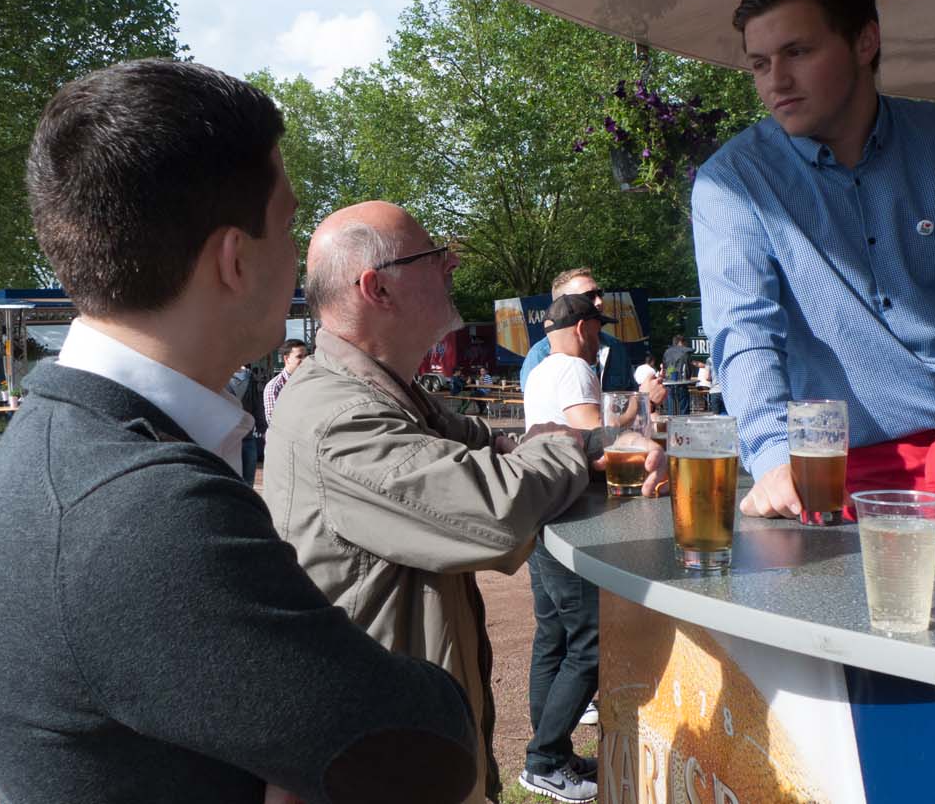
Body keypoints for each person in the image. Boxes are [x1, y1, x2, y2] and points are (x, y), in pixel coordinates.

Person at [0, 60, 479, 804]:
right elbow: (432, 751)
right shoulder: (142, 507)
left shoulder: (67, 446)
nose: (299, 261)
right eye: (289, 225)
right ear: (234, 259)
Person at [263, 200, 664, 804]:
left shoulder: (382, 389)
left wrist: (598, 441)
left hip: (406, 745)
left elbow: (492, 443)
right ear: (377, 289)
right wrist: (577, 452)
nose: (452, 264)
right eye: (433, 257)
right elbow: (494, 509)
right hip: (383, 766)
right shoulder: (340, 417)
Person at [691, 0, 935, 552]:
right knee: (872, 643)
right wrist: (774, 457)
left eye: (797, 53)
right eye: (760, 64)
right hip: (836, 476)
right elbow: (743, 329)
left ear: (865, 41)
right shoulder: (732, 180)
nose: (774, 80)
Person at [518, 293, 618, 803]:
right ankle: (544, 759)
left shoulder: (539, 371)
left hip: (543, 513)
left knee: (552, 637)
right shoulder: (577, 371)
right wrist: (636, 434)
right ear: (583, 327)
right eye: (598, 326)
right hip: (573, 518)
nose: (601, 334)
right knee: (591, 642)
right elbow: (592, 442)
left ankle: (550, 753)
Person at [519, 268, 636, 395]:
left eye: (599, 293)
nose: (599, 301)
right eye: (589, 296)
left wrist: (645, 397)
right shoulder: (539, 355)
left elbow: (630, 398)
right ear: (564, 304)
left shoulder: (615, 347)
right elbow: (539, 410)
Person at [224, 363, 265, 486]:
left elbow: (257, 405)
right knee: (229, 479)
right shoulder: (220, 376)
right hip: (227, 438)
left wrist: (263, 429)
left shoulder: (250, 378)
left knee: (248, 481)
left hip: (247, 437)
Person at [262, 338, 308, 425]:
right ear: (287, 359)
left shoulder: (311, 381)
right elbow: (274, 422)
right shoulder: (275, 386)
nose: (305, 360)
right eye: (299, 356)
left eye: (306, 356)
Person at [661, 335, 693, 415]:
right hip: (682, 383)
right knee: (684, 410)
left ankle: (671, 425)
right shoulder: (685, 352)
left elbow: (665, 368)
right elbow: (688, 369)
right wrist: (688, 377)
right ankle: (684, 426)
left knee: (671, 409)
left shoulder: (667, 352)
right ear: (681, 342)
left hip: (669, 383)